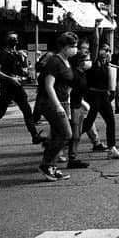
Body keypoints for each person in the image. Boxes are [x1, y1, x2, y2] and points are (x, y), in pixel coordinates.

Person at [0, 32, 41, 147]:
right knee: (0, 113)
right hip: (7, 87)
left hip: (17, 87)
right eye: (13, 38)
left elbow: (24, 71)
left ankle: (35, 135)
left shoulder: (16, 54)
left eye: (16, 38)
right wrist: (10, 78)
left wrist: (24, 59)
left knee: (26, 110)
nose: (15, 40)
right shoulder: (3, 54)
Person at [38, 32, 78, 180]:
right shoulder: (54, 61)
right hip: (50, 103)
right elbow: (49, 86)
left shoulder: (67, 62)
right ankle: (46, 164)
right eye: (71, 46)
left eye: (75, 45)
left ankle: (51, 166)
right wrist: (58, 106)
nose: (75, 49)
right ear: (63, 47)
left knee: (57, 135)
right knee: (67, 134)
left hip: (62, 102)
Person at [83, 42, 119, 159]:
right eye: (105, 50)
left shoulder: (106, 64)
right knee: (87, 124)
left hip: (103, 96)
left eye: (109, 51)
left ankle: (112, 148)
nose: (107, 53)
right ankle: (65, 141)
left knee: (110, 121)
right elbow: (96, 42)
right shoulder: (92, 62)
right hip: (93, 95)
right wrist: (97, 27)